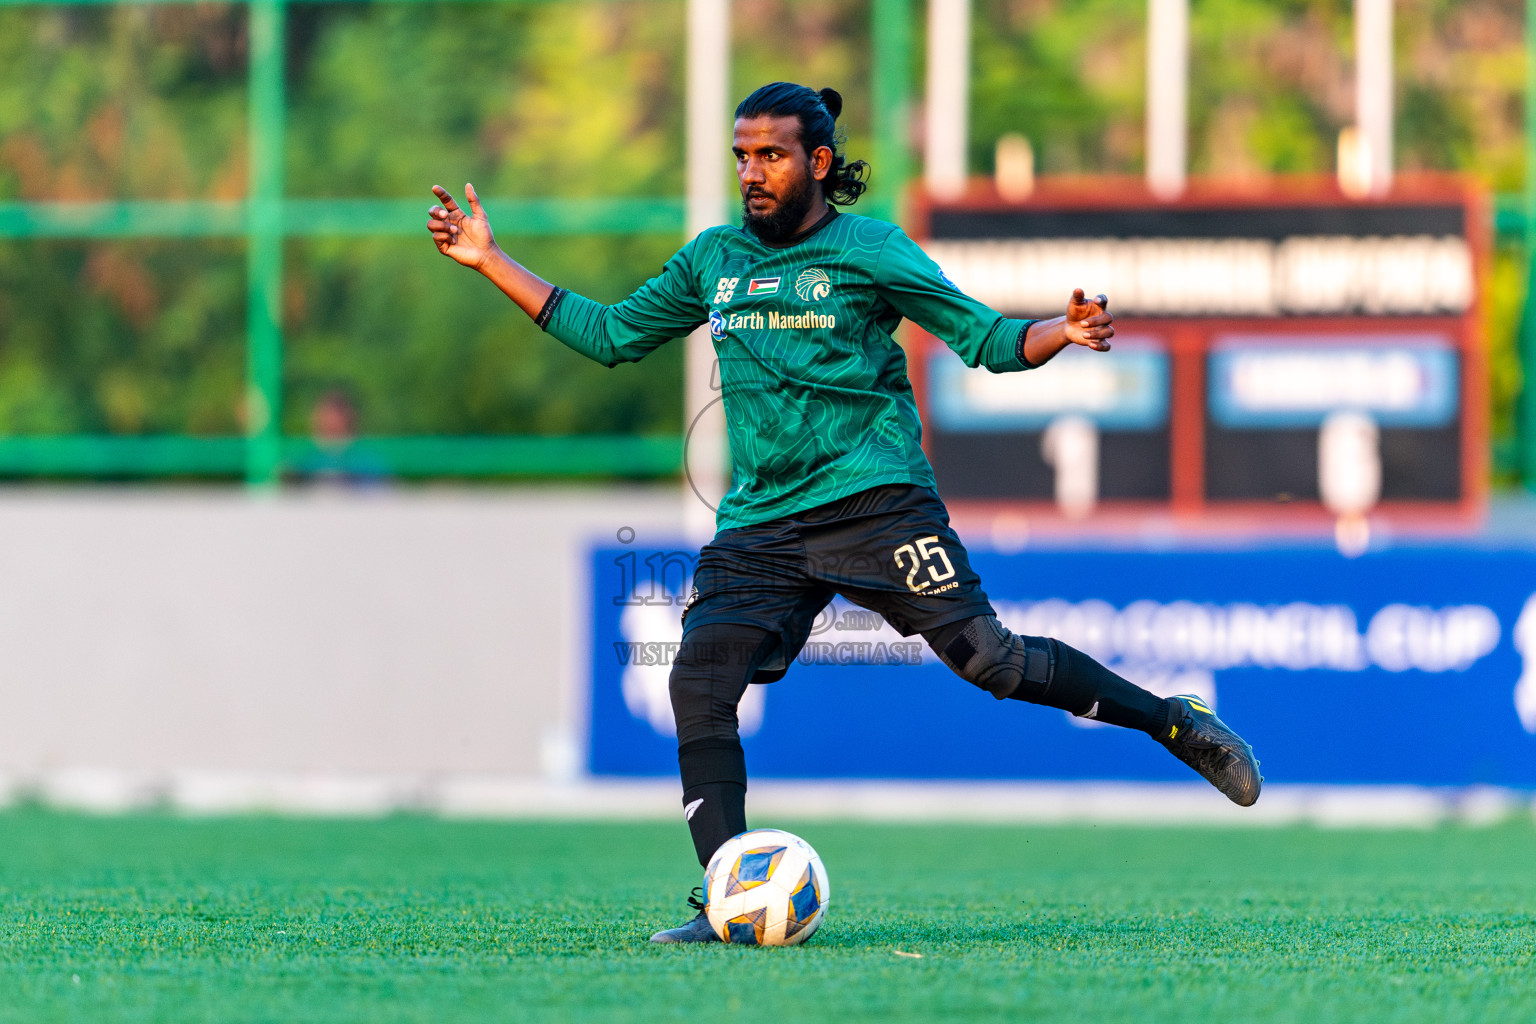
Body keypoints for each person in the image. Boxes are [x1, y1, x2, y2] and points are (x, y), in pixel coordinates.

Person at [427, 81, 1263, 944]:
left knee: (993, 662)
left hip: (876, 501)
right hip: (761, 525)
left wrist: (1063, 327)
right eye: (743, 155)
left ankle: (1174, 721)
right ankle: (727, 897)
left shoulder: (870, 251)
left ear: (818, 162)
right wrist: (490, 258)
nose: (752, 171)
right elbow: (608, 335)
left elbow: (984, 340)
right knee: (699, 683)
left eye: (772, 155)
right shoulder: (712, 259)